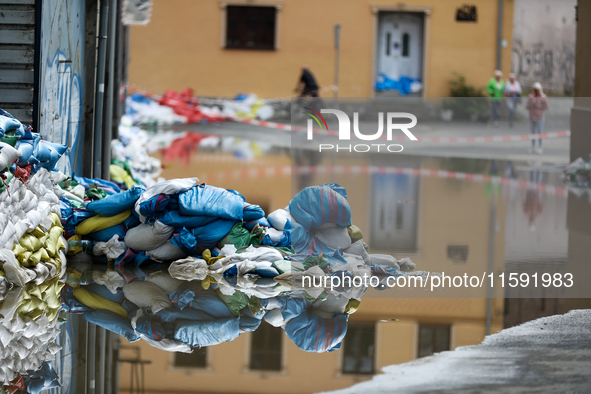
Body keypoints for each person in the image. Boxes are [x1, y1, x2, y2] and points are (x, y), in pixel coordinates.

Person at [526, 82, 549, 154]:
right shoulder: (531, 96)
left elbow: (546, 107)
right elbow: (527, 106)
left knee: (540, 132)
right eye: (535, 90)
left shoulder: (543, 97)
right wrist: (531, 105)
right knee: (533, 132)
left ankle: (540, 147)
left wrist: (539, 106)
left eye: (537, 90)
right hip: (532, 117)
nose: (536, 91)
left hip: (540, 117)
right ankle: (533, 147)